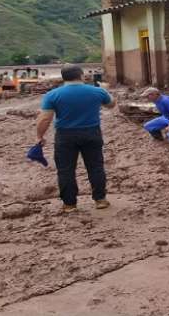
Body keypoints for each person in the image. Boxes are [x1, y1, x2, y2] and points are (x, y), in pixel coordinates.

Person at [36, 64, 116, 213]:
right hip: (92, 132)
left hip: (65, 135)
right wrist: (106, 90)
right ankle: (100, 200)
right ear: (81, 75)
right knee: (96, 167)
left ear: (63, 77)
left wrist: (39, 136)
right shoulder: (97, 91)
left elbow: (44, 119)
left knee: (65, 170)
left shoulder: (53, 95)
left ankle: (69, 204)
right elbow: (111, 104)